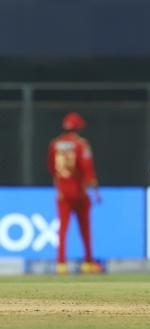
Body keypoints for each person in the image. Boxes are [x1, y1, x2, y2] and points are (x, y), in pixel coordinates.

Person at [47, 112, 102, 275]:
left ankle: (61, 264)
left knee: (62, 229)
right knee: (85, 229)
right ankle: (88, 262)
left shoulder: (54, 144)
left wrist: (59, 182)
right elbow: (87, 168)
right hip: (79, 192)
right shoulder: (81, 144)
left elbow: (51, 166)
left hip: (62, 193)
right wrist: (95, 189)